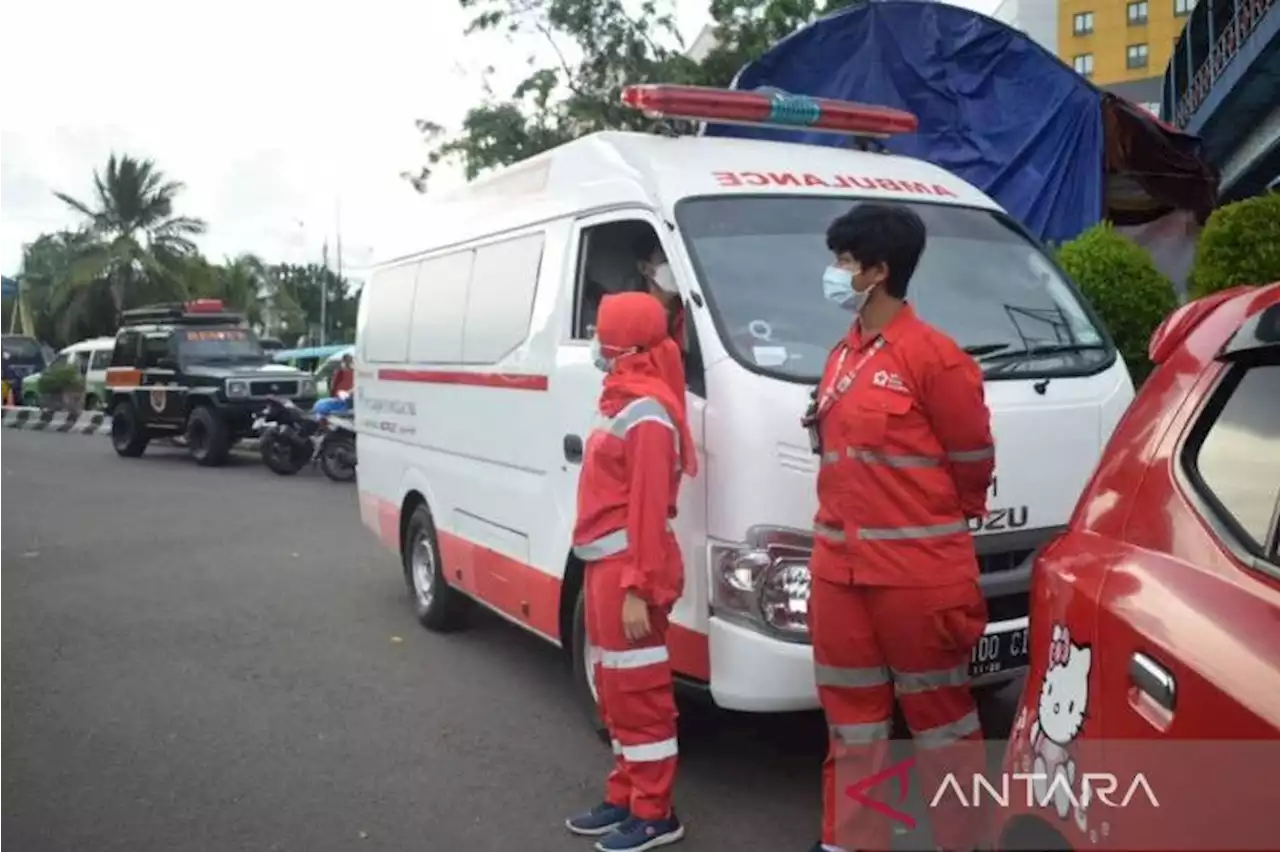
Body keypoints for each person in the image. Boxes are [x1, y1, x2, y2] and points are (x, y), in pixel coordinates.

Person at [801, 203, 995, 852]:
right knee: (853, 722)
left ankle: (962, 840)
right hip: (840, 574)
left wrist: (935, 528)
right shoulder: (841, 356)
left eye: (845, 262)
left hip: (917, 579)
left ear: (878, 272)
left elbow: (972, 463)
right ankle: (851, 841)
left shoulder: (935, 359)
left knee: (940, 721)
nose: (835, 273)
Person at [565, 291, 697, 852]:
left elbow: (646, 509)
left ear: (622, 341)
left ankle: (655, 813)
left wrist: (638, 588)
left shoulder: (646, 411)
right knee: (615, 690)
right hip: (606, 566)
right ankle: (625, 796)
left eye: (600, 331)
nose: (594, 340)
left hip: (630, 572)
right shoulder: (623, 397)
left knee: (639, 693)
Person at [313, 353, 354, 417]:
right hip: (345, 399)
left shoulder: (340, 372)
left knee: (320, 406)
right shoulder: (354, 372)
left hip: (342, 399)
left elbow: (334, 385)